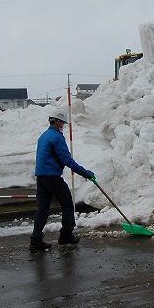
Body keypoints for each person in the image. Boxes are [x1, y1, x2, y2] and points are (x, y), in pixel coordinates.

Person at [30, 107, 95, 252]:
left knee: (42, 209)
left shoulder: (43, 136)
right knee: (67, 204)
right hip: (52, 176)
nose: (63, 126)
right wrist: (85, 173)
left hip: (41, 177)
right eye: (62, 123)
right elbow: (66, 160)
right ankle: (66, 235)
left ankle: (35, 240)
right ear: (57, 121)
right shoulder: (57, 137)